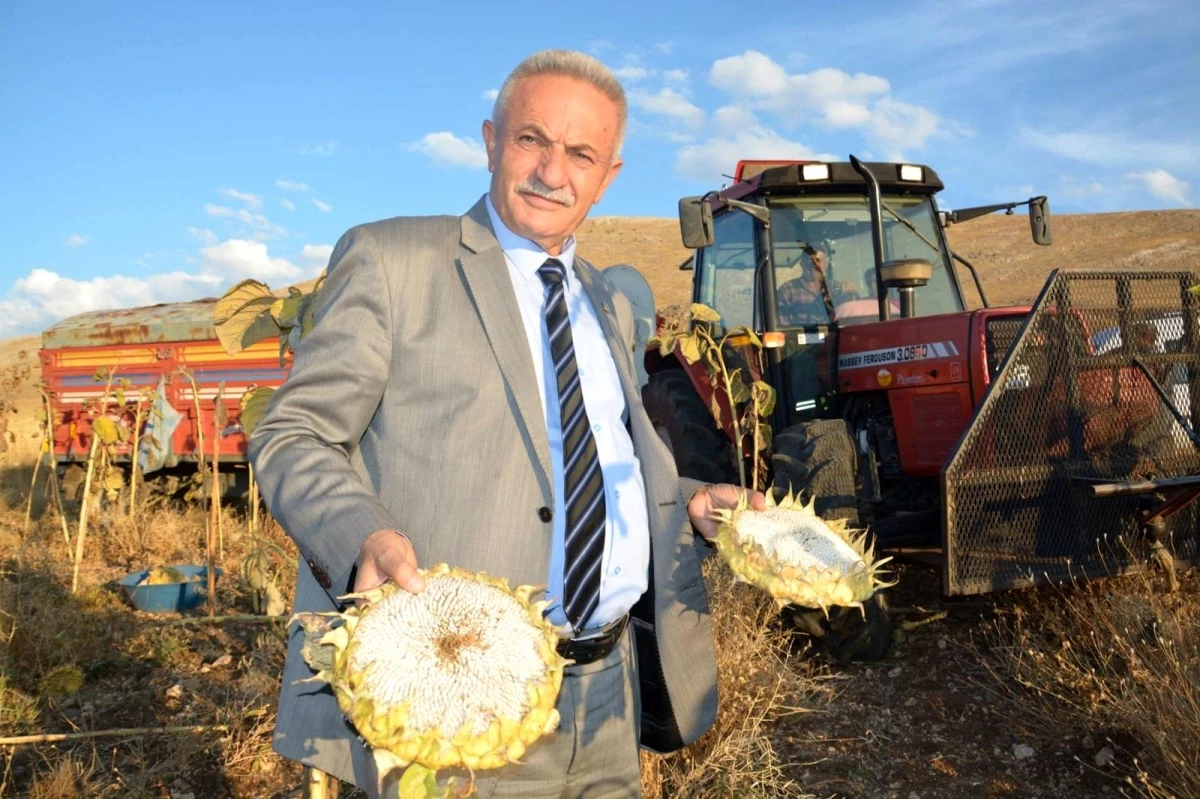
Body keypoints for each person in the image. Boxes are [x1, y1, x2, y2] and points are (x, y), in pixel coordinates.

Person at [249, 49, 764, 798]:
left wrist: (686, 498)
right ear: (491, 141)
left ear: (608, 175)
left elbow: (592, 457)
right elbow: (293, 431)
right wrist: (362, 533)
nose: (553, 172)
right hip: (458, 700)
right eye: (532, 140)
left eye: (580, 153)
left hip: (609, 694)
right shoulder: (395, 261)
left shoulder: (606, 302)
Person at [777, 245, 837, 324]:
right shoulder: (788, 289)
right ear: (802, 264)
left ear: (826, 264)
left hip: (833, 334)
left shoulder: (836, 288)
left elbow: (849, 314)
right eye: (809, 261)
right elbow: (780, 320)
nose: (814, 265)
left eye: (818, 260)